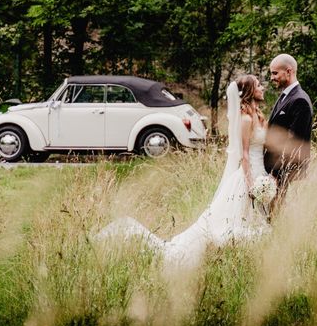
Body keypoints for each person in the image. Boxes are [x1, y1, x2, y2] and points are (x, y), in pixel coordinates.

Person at [96, 75, 271, 269]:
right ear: (248, 91)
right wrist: (250, 185)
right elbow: (244, 156)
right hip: (248, 176)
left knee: (251, 219)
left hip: (260, 172)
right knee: (228, 224)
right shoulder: (245, 119)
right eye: (258, 85)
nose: (262, 88)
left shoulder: (259, 116)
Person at [264, 54, 313, 212]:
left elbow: (293, 142)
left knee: (277, 217)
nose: (272, 78)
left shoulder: (300, 100)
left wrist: (276, 174)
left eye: (275, 73)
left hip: (287, 174)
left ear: (289, 71)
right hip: (276, 173)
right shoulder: (285, 96)